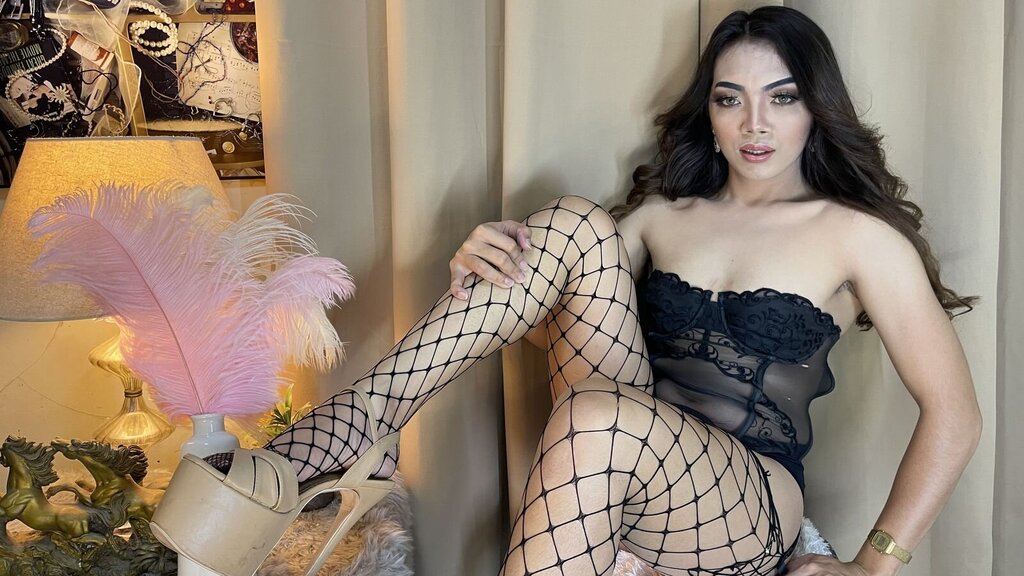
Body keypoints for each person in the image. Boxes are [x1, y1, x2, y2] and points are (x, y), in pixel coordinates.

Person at [151, 6, 981, 576]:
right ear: (710, 112)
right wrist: (479, 266)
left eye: (781, 98)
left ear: (814, 109)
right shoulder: (662, 218)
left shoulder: (857, 237)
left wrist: (874, 565)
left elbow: (955, 414)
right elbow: (551, 318)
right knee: (577, 222)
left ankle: (322, 449)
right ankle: (355, 426)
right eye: (731, 99)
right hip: (612, 449)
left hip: (743, 501)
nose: (754, 124)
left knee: (595, 415)